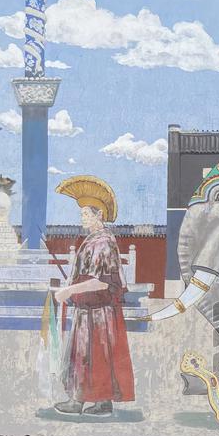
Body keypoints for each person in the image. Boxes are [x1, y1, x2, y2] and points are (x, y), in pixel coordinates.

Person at [52, 175, 135, 416]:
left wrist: (70, 290)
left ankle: (93, 400)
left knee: (92, 354)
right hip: (89, 310)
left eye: (86, 214)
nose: (83, 219)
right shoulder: (93, 241)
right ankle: (89, 400)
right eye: (82, 215)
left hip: (99, 312)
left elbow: (101, 282)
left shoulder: (103, 243)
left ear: (99, 215)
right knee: (85, 353)